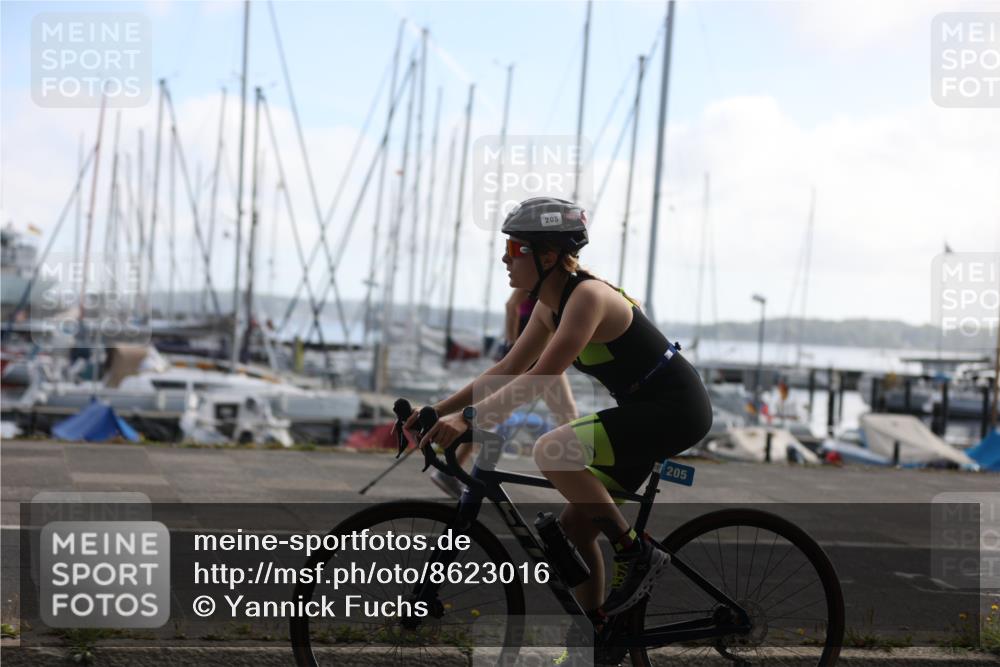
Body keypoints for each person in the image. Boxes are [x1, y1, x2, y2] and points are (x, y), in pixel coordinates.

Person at [405, 196, 712, 628]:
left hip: (676, 410)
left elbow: (540, 378)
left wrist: (469, 420)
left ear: (547, 256)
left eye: (515, 249)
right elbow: (507, 368)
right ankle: (598, 635)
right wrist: (437, 410)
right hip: (644, 412)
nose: (505, 258)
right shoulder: (549, 306)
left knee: (551, 450)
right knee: (575, 531)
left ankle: (634, 551)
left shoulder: (587, 297)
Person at [430, 287, 578, 498]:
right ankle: (577, 474)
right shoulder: (537, 281)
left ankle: (452, 470)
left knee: (503, 413)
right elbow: (511, 306)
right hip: (533, 352)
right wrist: (513, 345)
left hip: (540, 352)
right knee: (565, 411)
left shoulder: (558, 288)